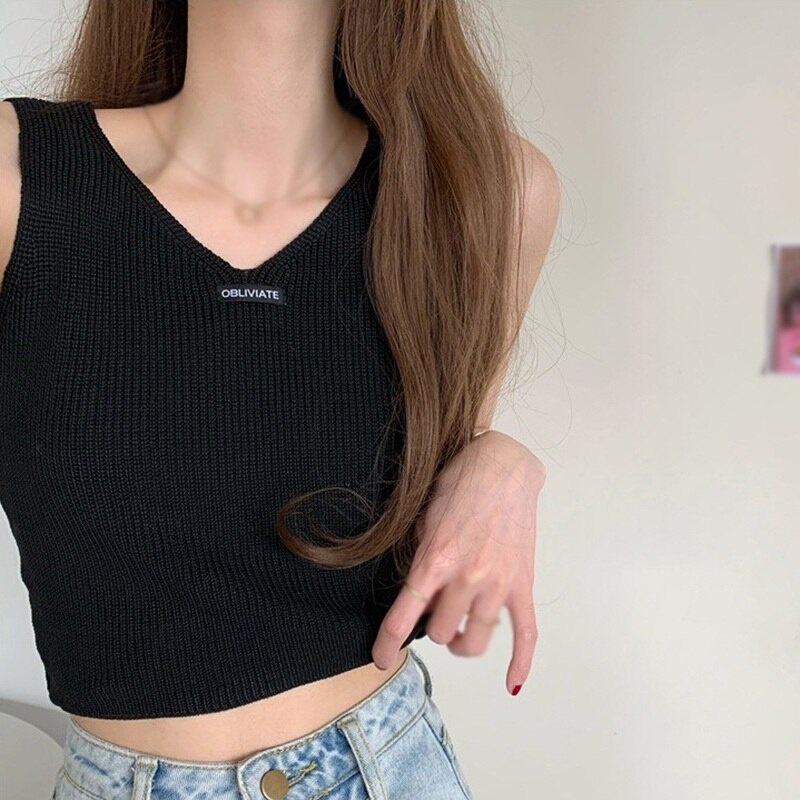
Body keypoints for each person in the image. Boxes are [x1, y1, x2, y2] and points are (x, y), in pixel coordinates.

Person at [0, 1, 559, 798]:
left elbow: (451, 453)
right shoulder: (21, 179)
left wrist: (506, 460)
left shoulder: (486, 193)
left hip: (389, 765)